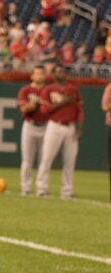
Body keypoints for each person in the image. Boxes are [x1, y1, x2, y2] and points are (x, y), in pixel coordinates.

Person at [35, 64, 83, 199]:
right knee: (46, 158)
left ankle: (67, 191)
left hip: (70, 126)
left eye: (64, 71)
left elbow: (79, 110)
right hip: (54, 125)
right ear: (54, 75)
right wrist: (63, 102)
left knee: (70, 161)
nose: (62, 73)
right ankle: (41, 188)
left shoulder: (73, 89)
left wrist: (79, 127)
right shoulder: (49, 89)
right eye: (59, 71)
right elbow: (44, 110)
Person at [17, 65, 49, 196]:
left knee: (44, 160)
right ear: (32, 76)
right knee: (27, 159)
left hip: (46, 126)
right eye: (37, 74)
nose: (39, 76)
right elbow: (23, 109)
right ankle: (26, 187)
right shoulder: (26, 90)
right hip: (30, 125)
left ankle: (42, 189)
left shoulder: (47, 90)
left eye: (41, 74)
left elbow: (51, 109)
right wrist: (34, 104)